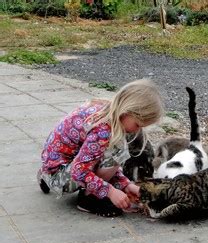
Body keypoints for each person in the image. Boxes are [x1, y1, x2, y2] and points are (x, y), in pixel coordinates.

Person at [37, 79, 164, 217]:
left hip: (55, 163)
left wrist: (126, 185)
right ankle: (89, 199)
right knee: (118, 151)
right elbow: (79, 171)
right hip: (62, 174)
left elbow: (93, 156)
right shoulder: (102, 131)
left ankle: (46, 174)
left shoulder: (105, 111)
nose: (136, 130)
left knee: (113, 149)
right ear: (127, 112)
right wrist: (110, 191)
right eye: (138, 124)